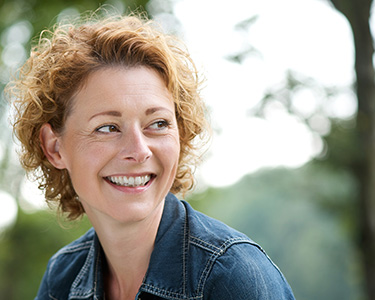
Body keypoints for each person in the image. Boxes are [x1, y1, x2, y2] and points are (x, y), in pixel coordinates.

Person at [8, 10, 295, 300]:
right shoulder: (62, 278)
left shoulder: (233, 277)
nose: (139, 150)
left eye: (158, 124)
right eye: (108, 127)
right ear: (54, 147)